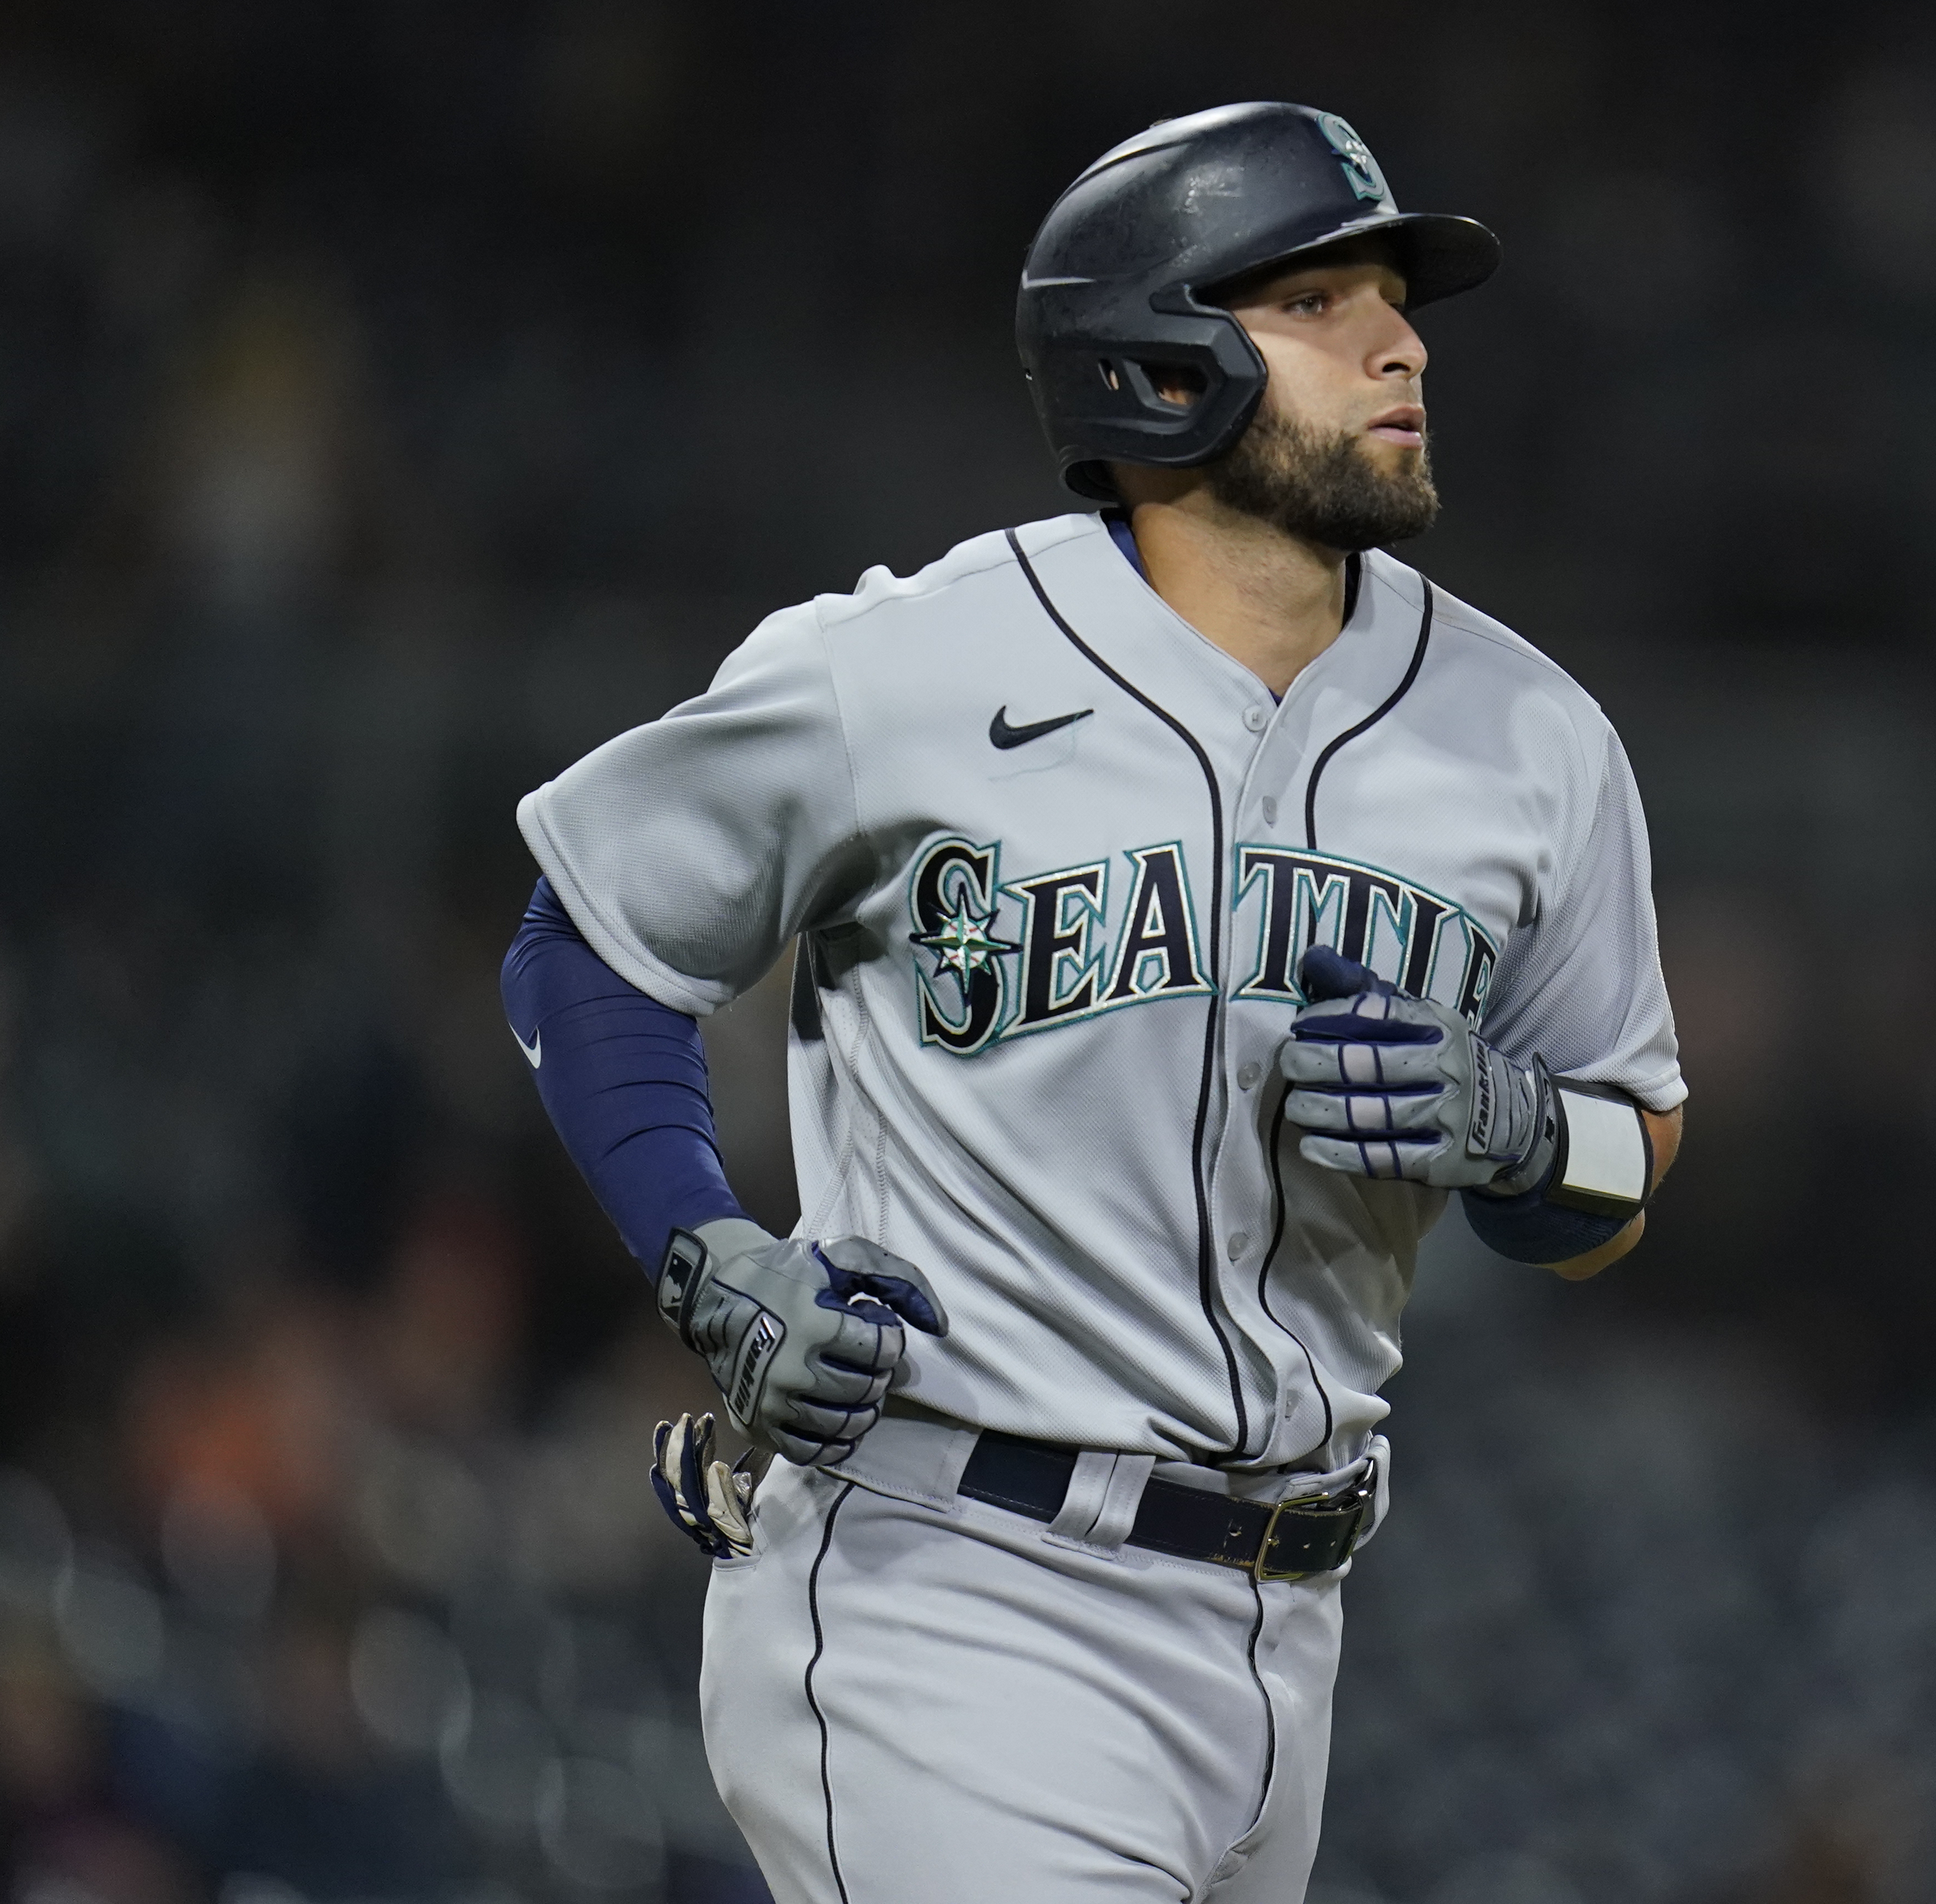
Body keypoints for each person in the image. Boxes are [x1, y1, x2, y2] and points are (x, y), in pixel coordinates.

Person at [499, 101, 1683, 1904]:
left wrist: (1529, 1137)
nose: (1403, 342)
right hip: (949, 1587)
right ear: (1153, 359)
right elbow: (586, 937)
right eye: (1322, 300)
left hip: (1288, 1628)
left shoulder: (1532, 741)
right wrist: (710, 1253)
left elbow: (1630, 1147)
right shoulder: (898, 669)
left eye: (1398, 300)